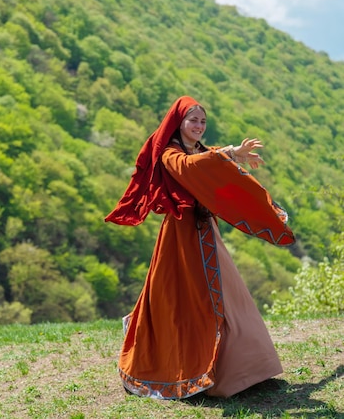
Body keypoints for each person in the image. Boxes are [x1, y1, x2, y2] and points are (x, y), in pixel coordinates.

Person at [105, 96, 295, 400]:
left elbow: (207, 159)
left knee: (228, 296)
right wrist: (230, 153)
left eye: (203, 121)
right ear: (178, 123)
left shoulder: (200, 151)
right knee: (183, 301)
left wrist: (234, 157)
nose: (199, 126)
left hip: (206, 233)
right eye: (193, 120)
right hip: (179, 237)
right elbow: (190, 167)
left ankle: (247, 370)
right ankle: (201, 373)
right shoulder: (169, 153)